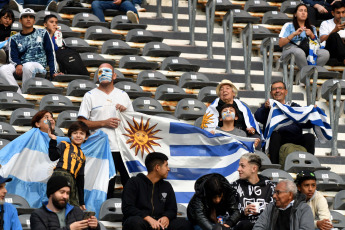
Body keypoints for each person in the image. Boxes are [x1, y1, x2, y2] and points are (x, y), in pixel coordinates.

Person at [78, 63, 134, 198]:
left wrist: (125, 112)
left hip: (123, 148)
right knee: (105, 187)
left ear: (114, 75)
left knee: (130, 187)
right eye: (100, 71)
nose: (103, 73)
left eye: (107, 71)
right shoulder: (90, 95)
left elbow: (133, 122)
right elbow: (81, 123)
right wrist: (104, 123)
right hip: (101, 149)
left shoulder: (123, 95)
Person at [122, 152, 193, 230]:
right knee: (134, 222)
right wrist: (147, 218)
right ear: (157, 167)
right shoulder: (134, 182)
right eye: (166, 165)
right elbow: (128, 208)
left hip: (160, 223)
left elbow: (172, 209)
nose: (168, 169)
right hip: (142, 221)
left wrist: (166, 217)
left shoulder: (167, 186)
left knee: (184, 224)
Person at [0, 8, 62, 94]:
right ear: (20, 20)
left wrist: (53, 72)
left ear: (34, 20)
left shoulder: (43, 33)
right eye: (25, 17)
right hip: (21, 66)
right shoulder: (14, 38)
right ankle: (19, 94)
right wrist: (18, 64)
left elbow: (50, 53)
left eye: (31, 17)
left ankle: (25, 92)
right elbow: (12, 56)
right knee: (3, 69)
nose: (28, 19)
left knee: (28, 66)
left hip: (38, 66)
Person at [254, 80, 315, 164]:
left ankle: (309, 166)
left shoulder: (294, 107)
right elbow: (258, 117)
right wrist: (265, 108)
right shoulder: (268, 108)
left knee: (310, 137)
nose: (277, 91)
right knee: (275, 135)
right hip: (278, 140)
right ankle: (274, 166)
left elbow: (308, 124)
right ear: (271, 93)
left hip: (295, 139)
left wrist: (312, 113)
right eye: (274, 89)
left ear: (285, 92)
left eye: (280, 88)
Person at [201, 80, 261, 145]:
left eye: (227, 88)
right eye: (221, 89)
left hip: (242, 134)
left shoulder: (242, 106)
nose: (224, 90)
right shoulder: (213, 108)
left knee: (256, 139)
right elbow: (208, 126)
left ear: (233, 93)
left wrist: (252, 129)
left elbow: (251, 123)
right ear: (219, 95)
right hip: (221, 135)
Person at [30, 175, 100, 230]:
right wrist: (70, 228)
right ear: (51, 193)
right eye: (62, 192)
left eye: (68, 193)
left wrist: (94, 227)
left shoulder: (76, 211)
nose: (65, 196)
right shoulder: (38, 215)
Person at [48, 121, 90, 209]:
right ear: (70, 135)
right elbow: (53, 156)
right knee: (58, 202)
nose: (78, 136)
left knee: (73, 206)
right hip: (60, 174)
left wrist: (81, 202)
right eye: (75, 133)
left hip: (72, 180)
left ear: (86, 137)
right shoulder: (65, 144)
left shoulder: (83, 156)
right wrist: (53, 140)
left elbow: (80, 179)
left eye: (81, 133)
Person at [231, 153, 275, 230]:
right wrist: (243, 212)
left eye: (242, 166)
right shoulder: (234, 187)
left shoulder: (270, 187)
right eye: (239, 165)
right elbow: (228, 214)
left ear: (254, 169)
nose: (238, 169)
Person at [279, 3, 329, 70]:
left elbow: (317, 45)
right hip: (290, 51)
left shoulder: (312, 28)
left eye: (305, 11)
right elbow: (281, 43)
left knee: (325, 53)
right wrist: (293, 34)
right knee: (299, 51)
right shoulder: (288, 25)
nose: (303, 13)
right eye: (300, 11)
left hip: (308, 51)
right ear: (295, 14)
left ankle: (313, 72)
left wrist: (312, 35)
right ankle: (305, 75)